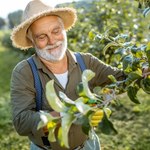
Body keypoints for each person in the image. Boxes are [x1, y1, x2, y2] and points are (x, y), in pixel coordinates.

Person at [10, 0, 150, 150]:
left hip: (88, 145)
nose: (52, 41)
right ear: (32, 41)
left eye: (56, 31)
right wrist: (67, 114)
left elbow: (121, 79)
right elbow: (21, 123)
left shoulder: (86, 61)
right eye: (42, 37)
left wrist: (143, 70)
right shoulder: (24, 72)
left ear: (64, 30)